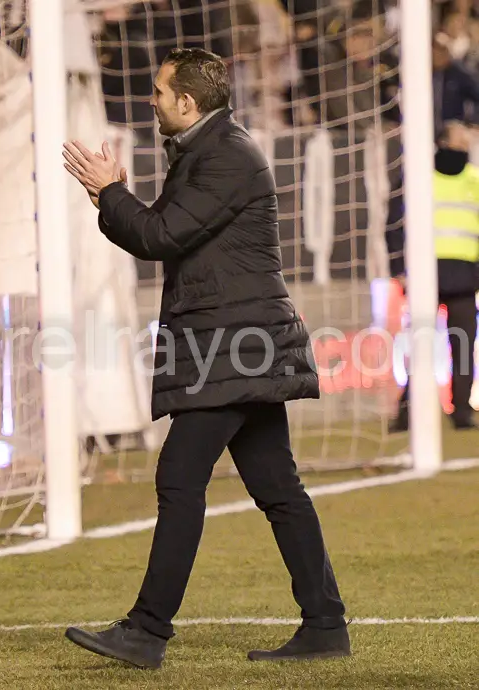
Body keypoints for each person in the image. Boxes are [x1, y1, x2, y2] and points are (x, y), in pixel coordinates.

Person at [61, 47, 349, 670]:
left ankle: (146, 631)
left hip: (236, 348)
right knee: (277, 487)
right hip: (240, 344)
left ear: (186, 102)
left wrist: (110, 192)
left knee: (180, 479)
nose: (151, 100)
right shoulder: (206, 152)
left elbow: (159, 237)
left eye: (159, 92)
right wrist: (110, 197)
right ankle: (325, 623)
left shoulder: (224, 158)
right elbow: (155, 230)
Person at [386, 121, 479, 432]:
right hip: (426, 273)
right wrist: (399, 268)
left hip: (466, 274)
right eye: (460, 138)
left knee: (463, 346)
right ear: (443, 141)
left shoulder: (475, 179)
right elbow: (395, 223)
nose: (466, 143)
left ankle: (462, 410)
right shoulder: (419, 177)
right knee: (421, 342)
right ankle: (409, 409)